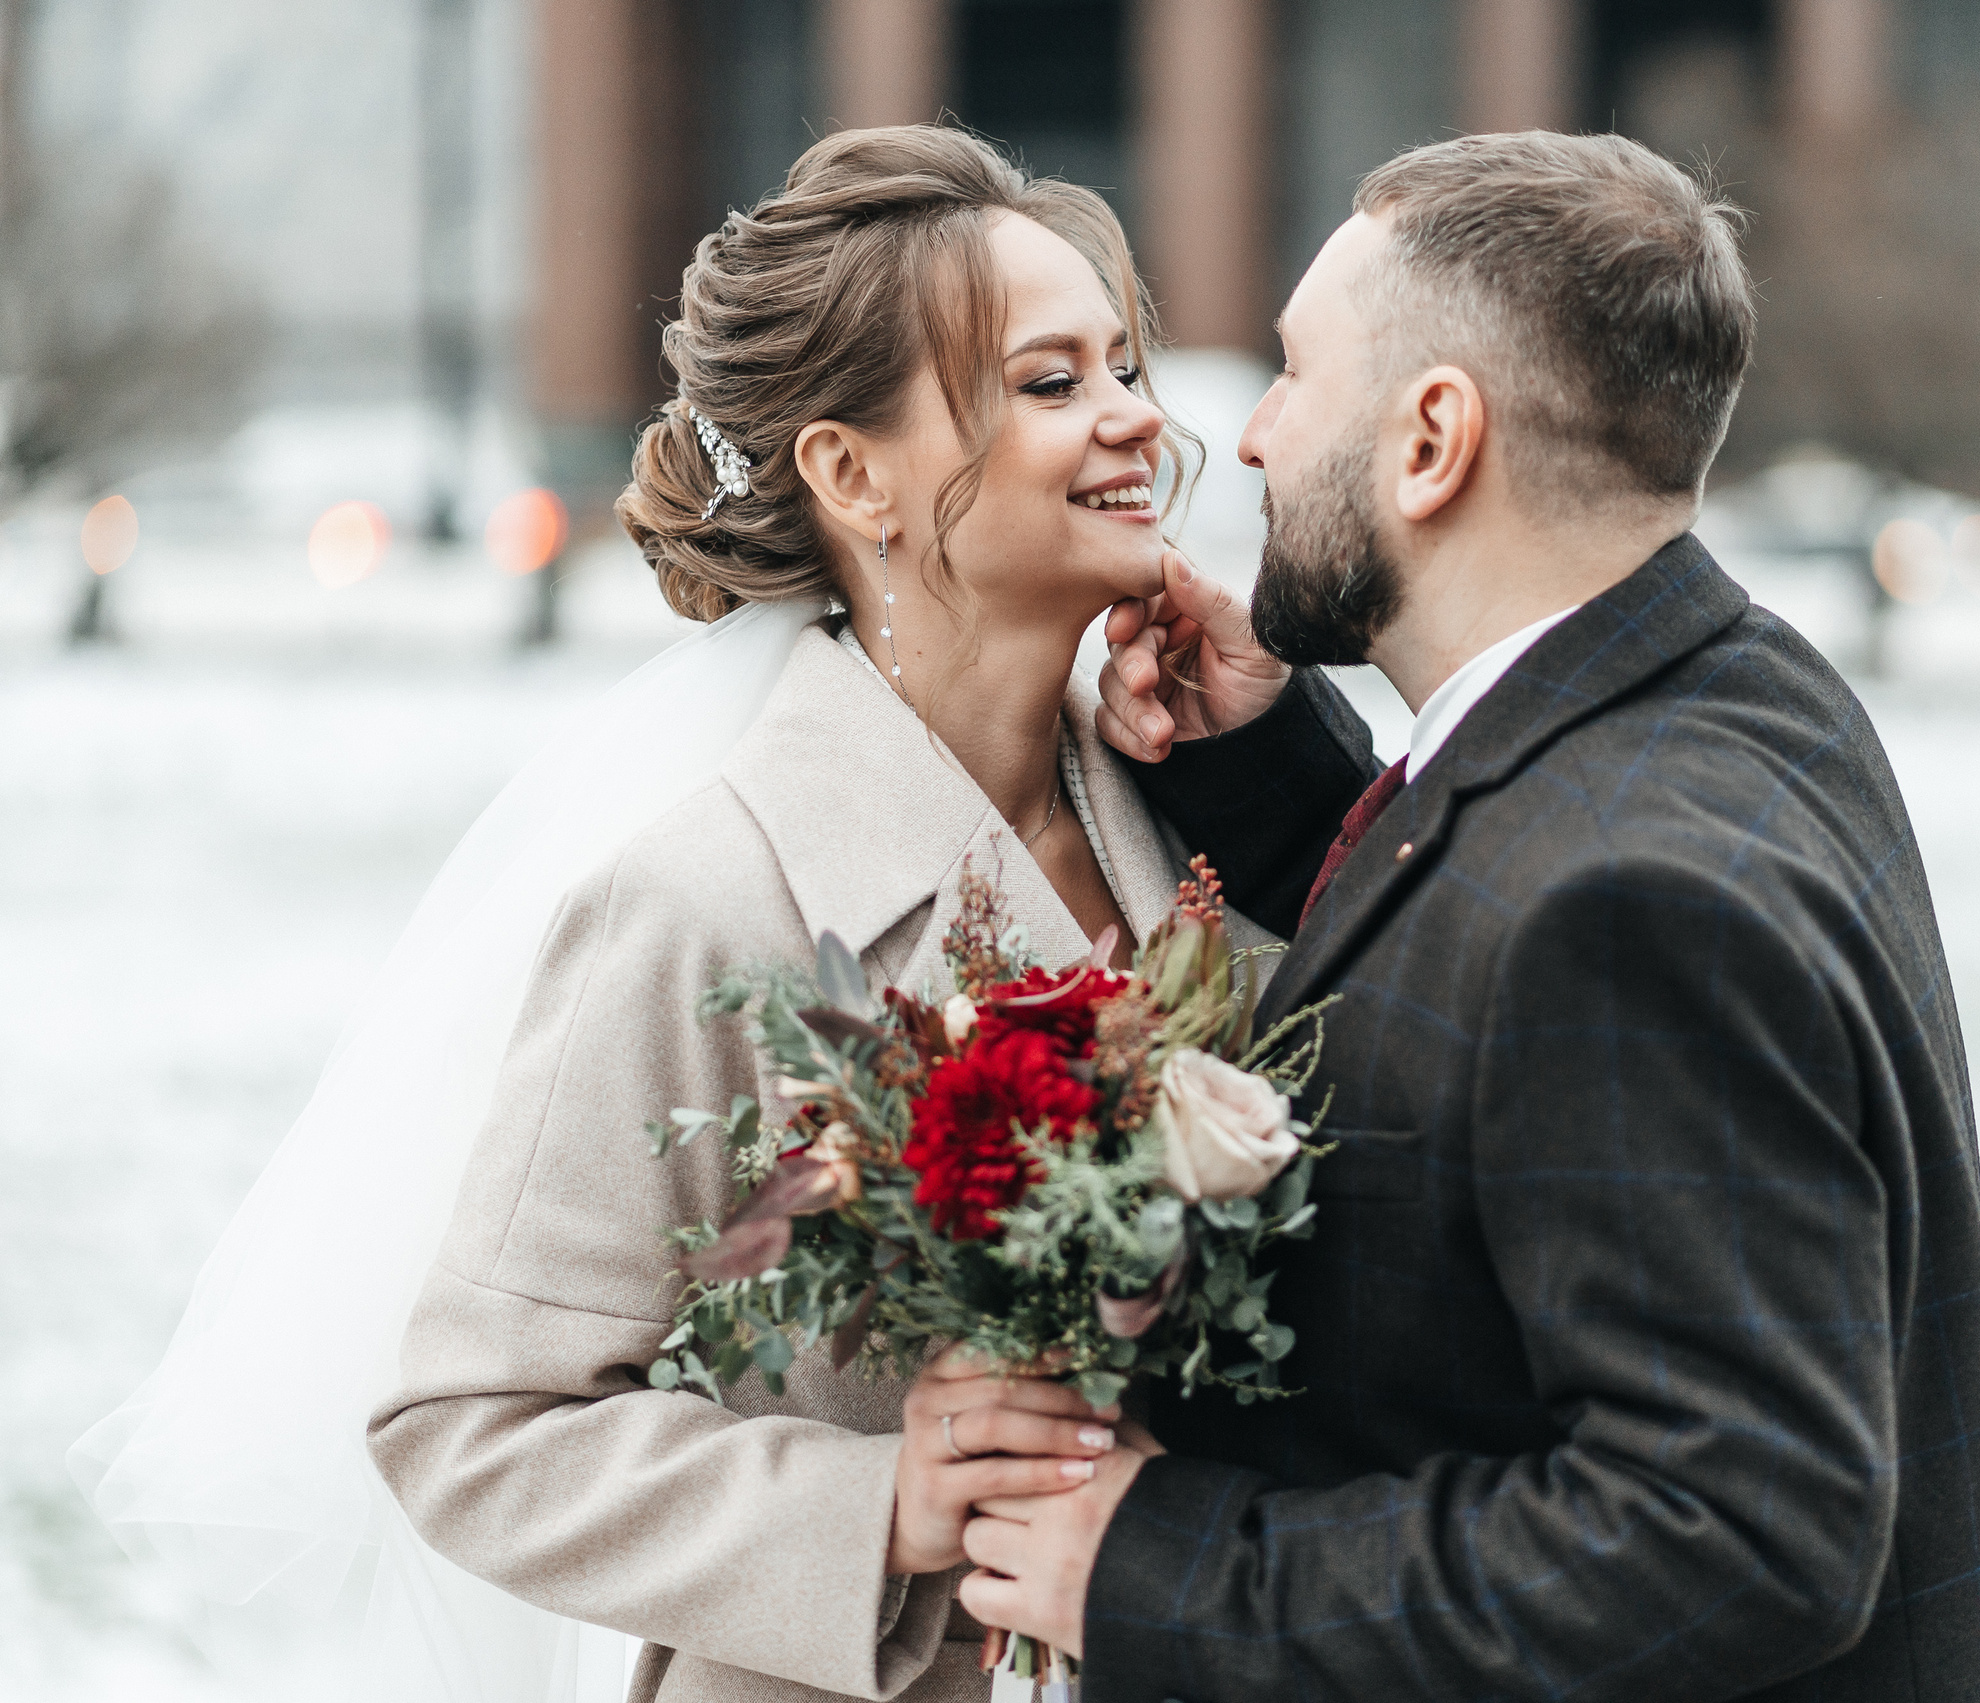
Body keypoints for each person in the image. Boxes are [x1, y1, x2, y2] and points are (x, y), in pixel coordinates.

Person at [74, 124, 1238, 1703]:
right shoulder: (702, 901)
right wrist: (876, 1505)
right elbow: (470, 1428)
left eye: (1123, 364)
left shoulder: (1201, 812)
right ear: (849, 475)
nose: (1135, 420)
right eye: (1053, 382)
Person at [954, 131, 1980, 1702]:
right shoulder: (1741, 690)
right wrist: (1270, 763)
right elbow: (1481, 972)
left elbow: (1736, 1533)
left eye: (1293, 374)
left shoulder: (1629, 907)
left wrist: (1157, 1568)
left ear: (1432, 439)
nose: (1249, 439)